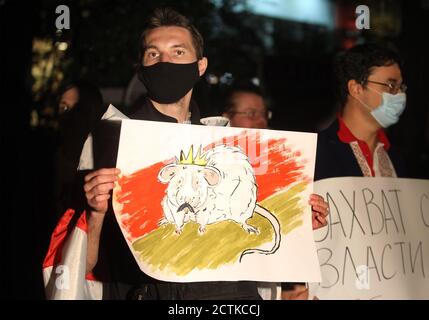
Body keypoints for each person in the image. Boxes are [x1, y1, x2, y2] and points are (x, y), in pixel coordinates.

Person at [82, 8, 265, 300]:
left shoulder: (223, 138)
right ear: (140, 67)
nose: (164, 62)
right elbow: (83, 265)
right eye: (153, 54)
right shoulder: (111, 138)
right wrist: (95, 212)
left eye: (178, 52)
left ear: (200, 65)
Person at [222, 84, 329, 300]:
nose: (260, 120)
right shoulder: (211, 167)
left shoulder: (284, 166)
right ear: (225, 118)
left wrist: (304, 222)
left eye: (264, 113)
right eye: (251, 113)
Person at [315, 43, 408, 180]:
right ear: (356, 89)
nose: (399, 94)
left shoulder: (398, 159)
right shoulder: (316, 153)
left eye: (401, 87)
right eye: (391, 86)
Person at [54, 80, 106, 217]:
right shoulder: (40, 165)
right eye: (64, 107)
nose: (71, 115)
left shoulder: (108, 168)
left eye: (79, 109)